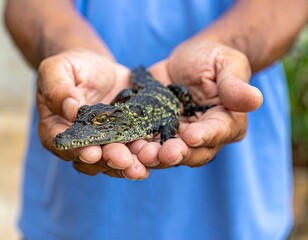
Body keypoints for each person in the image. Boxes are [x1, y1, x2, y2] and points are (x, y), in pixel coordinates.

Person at [5, 0, 308, 239]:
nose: (77, 131)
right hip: (67, 220)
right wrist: (69, 51)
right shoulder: (120, 114)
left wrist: (194, 99)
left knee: (177, 97)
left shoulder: (146, 122)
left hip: (240, 210)